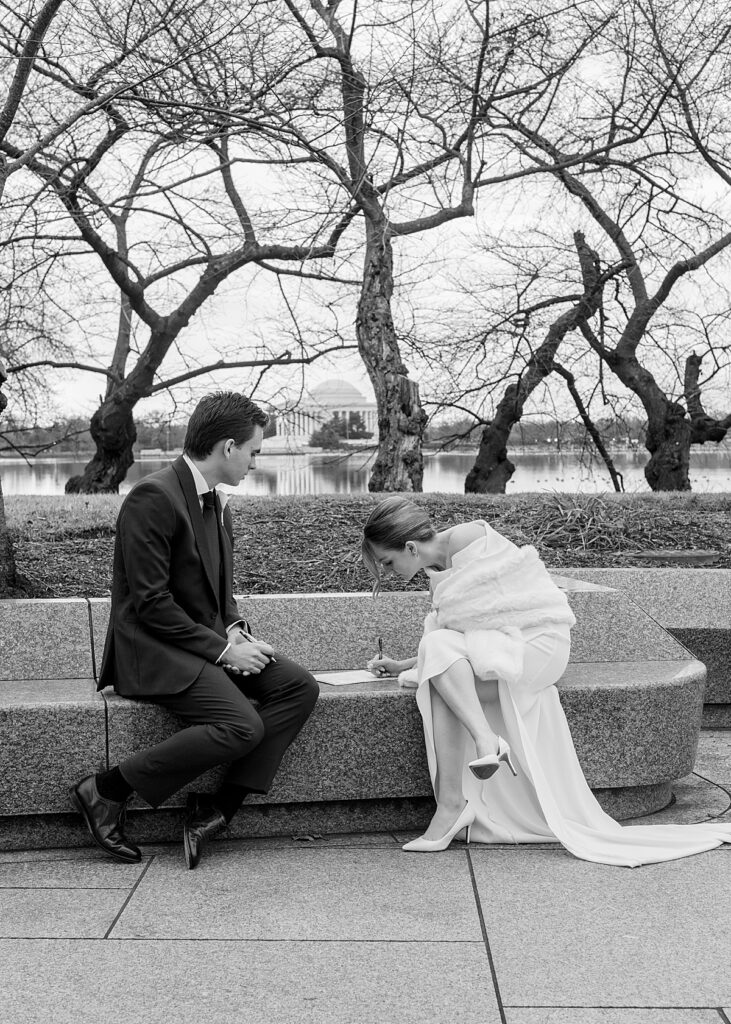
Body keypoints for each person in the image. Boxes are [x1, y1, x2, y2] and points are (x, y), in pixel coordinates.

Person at [361, 496, 731, 867]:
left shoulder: (468, 539)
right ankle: (456, 796)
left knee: (439, 671)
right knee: (438, 668)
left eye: (388, 562)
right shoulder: (436, 569)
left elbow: (497, 612)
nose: (389, 572)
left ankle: (461, 788)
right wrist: (403, 664)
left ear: (410, 547)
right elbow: (455, 632)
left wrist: (428, 657)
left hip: (537, 643)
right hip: (494, 644)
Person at [71, 392, 319, 869]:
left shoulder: (218, 504)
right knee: (240, 725)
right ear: (228, 448)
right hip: (151, 649)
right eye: (254, 451)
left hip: (200, 643)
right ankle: (104, 790)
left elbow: (220, 598)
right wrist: (225, 653)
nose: (254, 462)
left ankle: (217, 809)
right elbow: (151, 605)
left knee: (298, 686)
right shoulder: (154, 496)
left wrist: (239, 633)